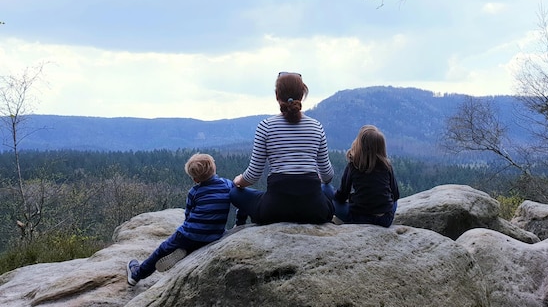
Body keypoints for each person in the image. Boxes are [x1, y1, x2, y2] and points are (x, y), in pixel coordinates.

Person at [230, 71, 335, 225]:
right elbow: (328, 176)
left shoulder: (265, 127)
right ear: (302, 95)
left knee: (234, 194)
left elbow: (253, 175)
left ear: (277, 95)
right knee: (328, 189)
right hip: (314, 210)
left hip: (274, 210)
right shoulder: (316, 127)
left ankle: (241, 223)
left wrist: (238, 181)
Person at [126, 153, 234, 286]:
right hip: (214, 235)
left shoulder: (194, 192)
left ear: (195, 180)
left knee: (163, 249)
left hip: (189, 234)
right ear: (214, 168)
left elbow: (188, 215)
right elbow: (239, 198)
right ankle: (189, 251)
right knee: (196, 241)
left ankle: (137, 274)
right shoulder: (227, 185)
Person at [324, 125, 399, 228]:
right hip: (385, 220)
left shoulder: (353, 165)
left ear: (359, 144)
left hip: (359, 218)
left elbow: (342, 196)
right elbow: (396, 195)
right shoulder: (387, 166)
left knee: (325, 190)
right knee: (394, 202)